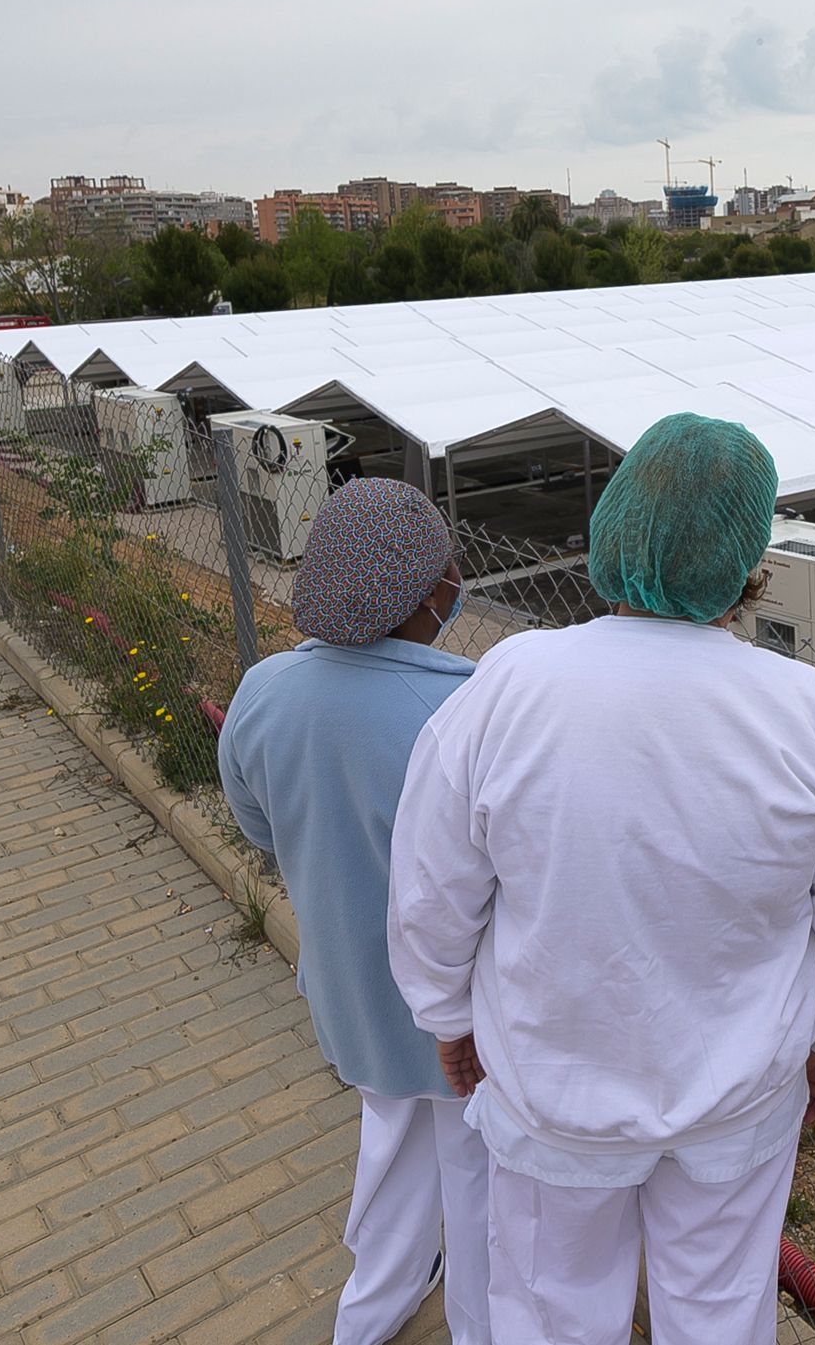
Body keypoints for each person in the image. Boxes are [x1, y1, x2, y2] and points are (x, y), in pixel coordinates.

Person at [387, 412, 815, 1345]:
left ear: (611, 527)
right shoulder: (811, 714)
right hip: (737, 1107)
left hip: (551, 1095)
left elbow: (431, 890)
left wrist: (447, 1017)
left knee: (547, 1309)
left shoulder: (509, 684)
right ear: (750, 560)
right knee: (717, 1311)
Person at [217, 478, 490, 1344]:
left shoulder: (264, 690)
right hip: (464, 1016)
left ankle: (372, 1309)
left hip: (346, 989)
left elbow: (257, 823)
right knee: (477, 1177)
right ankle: (481, 1322)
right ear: (430, 593)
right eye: (448, 569)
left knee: (392, 1149)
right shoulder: (469, 706)